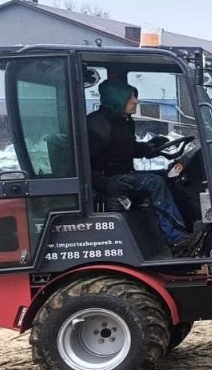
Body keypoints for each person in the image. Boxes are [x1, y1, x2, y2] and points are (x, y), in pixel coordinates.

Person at [87, 79, 205, 256]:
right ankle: (176, 239)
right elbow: (81, 164)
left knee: (168, 177)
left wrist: (150, 147)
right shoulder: (97, 125)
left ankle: (187, 227)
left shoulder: (123, 122)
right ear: (117, 99)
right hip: (108, 180)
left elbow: (127, 149)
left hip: (121, 174)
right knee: (154, 182)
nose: (136, 101)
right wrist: (105, 184)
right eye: (130, 97)